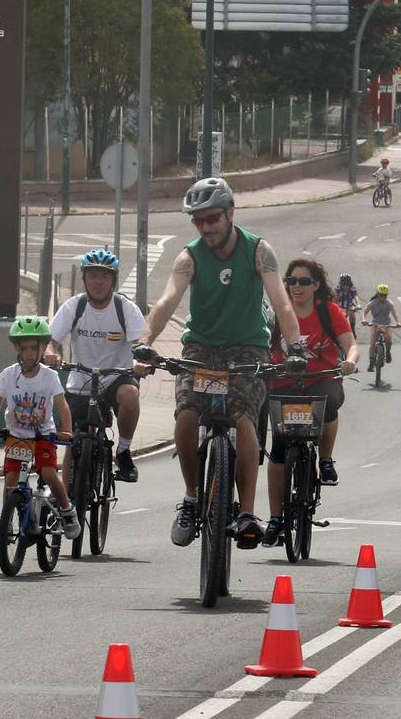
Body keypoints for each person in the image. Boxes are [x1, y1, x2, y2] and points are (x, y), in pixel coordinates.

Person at [138, 177, 302, 550]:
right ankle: (191, 498)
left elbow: (282, 302)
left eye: (212, 218)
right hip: (201, 348)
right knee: (185, 414)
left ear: (230, 212)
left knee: (243, 418)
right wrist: (145, 341)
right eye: (198, 221)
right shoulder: (189, 256)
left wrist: (294, 348)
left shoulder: (259, 251)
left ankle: (246, 512)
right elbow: (166, 302)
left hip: (248, 349)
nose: (206, 227)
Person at [261, 258, 358, 545]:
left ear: (316, 285)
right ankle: (276, 518)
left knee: (329, 400)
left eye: (304, 281)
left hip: (322, 380)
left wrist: (350, 362)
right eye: (291, 281)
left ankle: (326, 460)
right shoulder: (277, 312)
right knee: (278, 448)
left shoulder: (329, 311)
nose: (296, 287)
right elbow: (259, 342)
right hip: (284, 383)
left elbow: (350, 345)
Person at [45, 248, 146, 483]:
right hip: (81, 379)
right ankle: (68, 497)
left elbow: (140, 341)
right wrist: (50, 353)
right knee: (72, 438)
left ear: (113, 280)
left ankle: (123, 451)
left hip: (115, 377)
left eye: (104, 276)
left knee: (131, 394)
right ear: (84, 279)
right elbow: (49, 341)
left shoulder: (125, 308)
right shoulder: (74, 306)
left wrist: (141, 361)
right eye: (93, 276)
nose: (98, 282)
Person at [0, 317, 80, 539]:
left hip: (43, 436)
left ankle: (67, 511)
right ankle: (6, 525)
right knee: (10, 480)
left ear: (44, 348)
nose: (28, 353)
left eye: (34, 348)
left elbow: (62, 405)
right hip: (17, 437)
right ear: (16, 348)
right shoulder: (9, 374)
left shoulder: (50, 376)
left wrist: (67, 430)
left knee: (48, 473)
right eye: (23, 347)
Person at [362, 284, 401, 363]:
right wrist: (363, 319)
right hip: (375, 324)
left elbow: (394, 313)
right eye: (381, 295)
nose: (383, 297)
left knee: (388, 340)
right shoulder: (372, 303)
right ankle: (371, 362)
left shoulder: (389, 303)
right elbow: (365, 312)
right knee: (372, 343)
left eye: (385, 295)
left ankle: (388, 352)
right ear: (377, 294)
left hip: (386, 324)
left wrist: (398, 322)